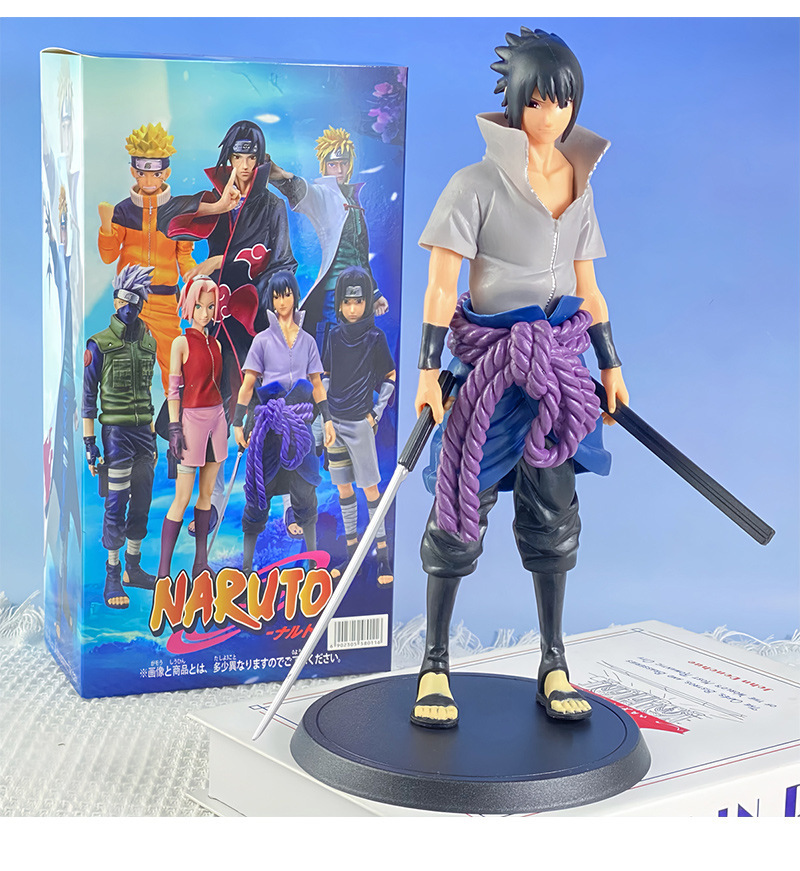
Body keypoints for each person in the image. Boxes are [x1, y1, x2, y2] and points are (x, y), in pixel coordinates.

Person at [412, 27, 629, 728]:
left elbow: (588, 288)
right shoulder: (474, 185)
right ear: (514, 103)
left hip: (558, 374)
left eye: (562, 103)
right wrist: (427, 369)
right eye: (537, 102)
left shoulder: (578, 183)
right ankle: (434, 662)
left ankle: (553, 659)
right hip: (489, 370)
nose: (550, 116)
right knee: (457, 514)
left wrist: (609, 362)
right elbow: (442, 284)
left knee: (554, 519)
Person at [98, 122, 239, 392]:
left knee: (174, 367)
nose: (149, 181)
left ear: (167, 172)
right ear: (133, 171)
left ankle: (179, 416)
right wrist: (106, 227)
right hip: (130, 301)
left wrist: (196, 278)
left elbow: (184, 257)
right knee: (127, 365)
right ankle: (132, 417)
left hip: (165, 301)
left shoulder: (178, 212)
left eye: (156, 173)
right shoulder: (124, 212)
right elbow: (109, 256)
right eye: (142, 173)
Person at [232, 272, 335, 574]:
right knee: (257, 495)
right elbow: (248, 384)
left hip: (300, 424)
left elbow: (317, 384)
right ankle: (247, 568)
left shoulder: (308, 341)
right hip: (268, 423)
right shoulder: (262, 341)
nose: (282, 301)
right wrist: (238, 421)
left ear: (294, 296)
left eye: (286, 294)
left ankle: (313, 562)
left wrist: (328, 419)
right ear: (271, 300)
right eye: (276, 296)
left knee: (306, 492)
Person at [269, 126, 388, 354]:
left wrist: (374, 293)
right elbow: (304, 192)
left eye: (343, 163)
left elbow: (361, 255)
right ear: (324, 166)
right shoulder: (324, 194)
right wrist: (282, 177)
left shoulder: (355, 200)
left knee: (360, 351)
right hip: (334, 291)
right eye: (333, 164)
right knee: (331, 350)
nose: (339, 169)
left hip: (361, 291)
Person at [82, 264, 160, 608]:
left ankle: (133, 568)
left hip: (144, 433)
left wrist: (156, 436)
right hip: (116, 434)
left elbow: (148, 391)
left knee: (142, 500)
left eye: (136, 299)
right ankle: (112, 574)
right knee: (116, 503)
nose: (129, 306)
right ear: (116, 300)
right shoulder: (98, 344)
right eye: (125, 298)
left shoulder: (149, 342)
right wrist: (90, 444)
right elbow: (88, 399)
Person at [323, 267, 396, 584]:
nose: (353, 308)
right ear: (340, 303)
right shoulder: (333, 335)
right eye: (347, 302)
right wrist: (325, 417)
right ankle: (352, 556)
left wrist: (375, 414)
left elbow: (389, 376)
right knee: (343, 489)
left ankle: (383, 558)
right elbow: (325, 377)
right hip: (335, 423)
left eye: (359, 301)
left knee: (370, 489)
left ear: (367, 302)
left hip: (360, 422)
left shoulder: (375, 338)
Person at [158, 276, 227, 581]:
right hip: (191, 423)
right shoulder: (181, 343)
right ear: (189, 306)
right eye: (199, 306)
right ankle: (163, 572)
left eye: (210, 307)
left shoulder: (217, 344)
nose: (205, 313)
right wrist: (174, 426)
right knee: (182, 498)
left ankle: (201, 562)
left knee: (207, 494)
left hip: (217, 421)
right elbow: (173, 390)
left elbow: (219, 385)